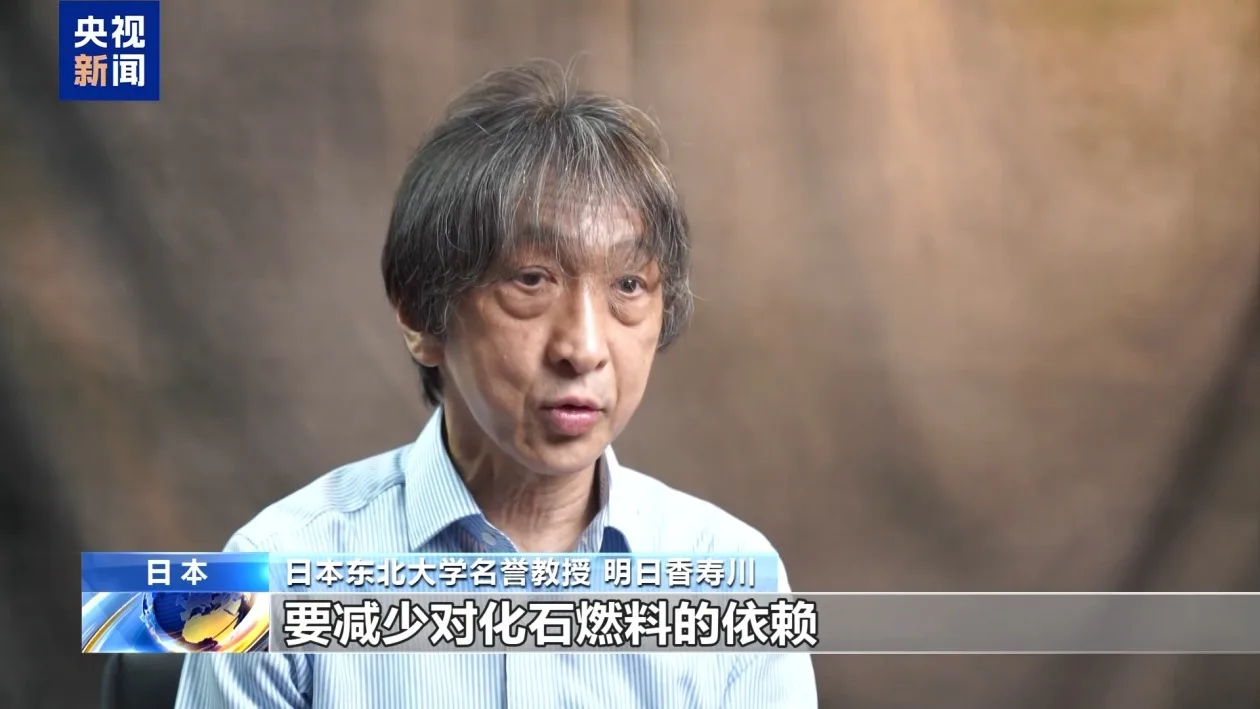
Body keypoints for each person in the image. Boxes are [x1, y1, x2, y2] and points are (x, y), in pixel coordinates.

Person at [175, 61, 818, 709]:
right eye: (531, 279)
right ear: (420, 315)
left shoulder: (736, 580)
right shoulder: (270, 576)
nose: (584, 349)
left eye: (628, 285)